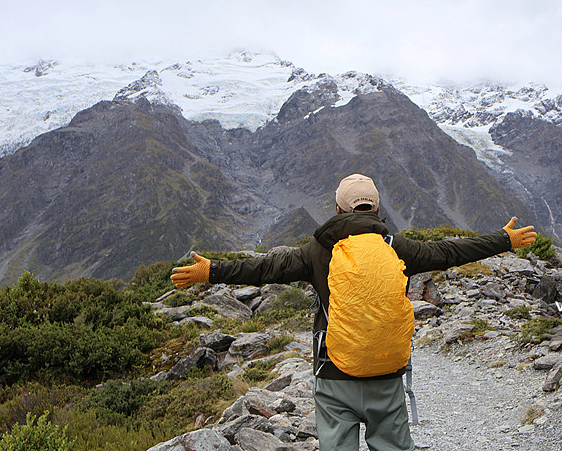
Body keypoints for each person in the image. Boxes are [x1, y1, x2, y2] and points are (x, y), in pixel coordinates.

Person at [170, 173, 537, 451]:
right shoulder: (397, 246)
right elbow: (450, 252)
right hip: (385, 374)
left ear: (338, 210)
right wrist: (503, 240)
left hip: (334, 377)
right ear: (376, 209)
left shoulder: (316, 251)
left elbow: (266, 268)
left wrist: (212, 271)